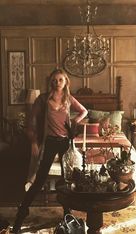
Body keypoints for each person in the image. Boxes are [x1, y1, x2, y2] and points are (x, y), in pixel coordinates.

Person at [11, 68, 88, 233]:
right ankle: (21, 214)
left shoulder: (68, 98)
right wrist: (33, 142)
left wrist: (75, 121)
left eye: (60, 80)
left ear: (66, 82)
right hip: (50, 143)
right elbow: (31, 123)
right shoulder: (43, 99)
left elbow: (84, 111)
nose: (57, 83)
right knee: (39, 180)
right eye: (54, 80)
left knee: (67, 180)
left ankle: (67, 215)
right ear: (50, 82)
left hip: (65, 143)